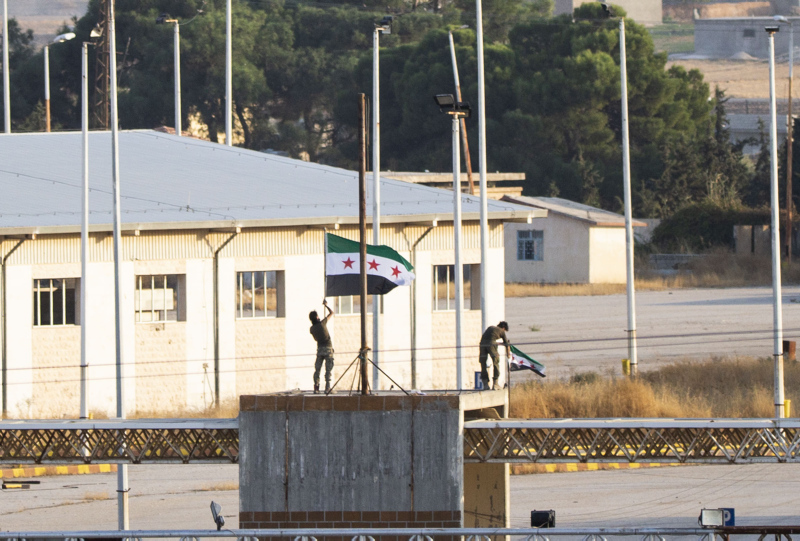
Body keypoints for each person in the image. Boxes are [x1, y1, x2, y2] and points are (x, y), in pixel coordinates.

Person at [309, 300, 334, 394]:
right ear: (317, 317)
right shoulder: (322, 323)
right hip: (328, 349)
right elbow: (331, 313)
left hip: (320, 350)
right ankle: (328, 388)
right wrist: (326, 305)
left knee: (317, 369)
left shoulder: (312, 329)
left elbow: (316, 339)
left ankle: (316, 387)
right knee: (328, 369)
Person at [479, 321, 510, 390]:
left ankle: (485, 385)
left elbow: (486, 337)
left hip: (482, 344)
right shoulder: (501, 331)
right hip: (491, 344)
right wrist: (508, 354)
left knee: (483, 364)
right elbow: (507, 344)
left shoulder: (490, 327)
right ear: (504, 328)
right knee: (496, 362)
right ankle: (495, 384)